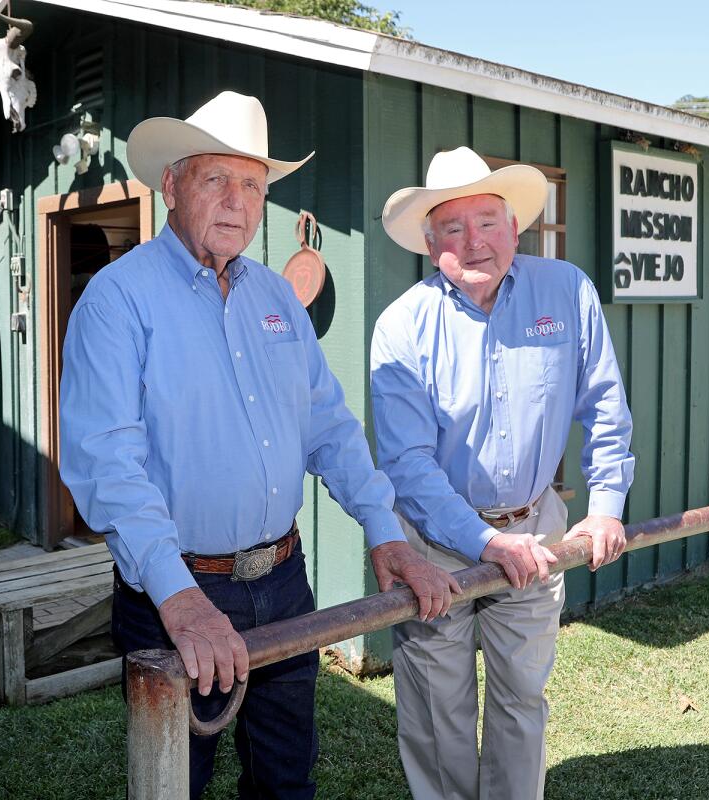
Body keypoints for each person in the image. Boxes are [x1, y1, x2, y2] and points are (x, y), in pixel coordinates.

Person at [58, 91, 460, 800]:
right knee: (175, 781)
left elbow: (329, 428)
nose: (236, 201)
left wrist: (384, 531)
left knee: (286, 779)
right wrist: (180, 601)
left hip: (283, 581)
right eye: (216, 178)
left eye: (252, 184)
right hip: (175, 590)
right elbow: (106, 465)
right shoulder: (118, 301)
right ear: (173, 185)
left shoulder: (276, 297)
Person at [370, 146, 635, 800]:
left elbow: (604, 403)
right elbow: (407, 464)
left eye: (488, 222)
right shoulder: (401, 327)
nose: (475, 242)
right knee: (438, 714)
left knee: (523, 698)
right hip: (435, 549)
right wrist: (486, 543)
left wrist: (605, 504)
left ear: (516, 227)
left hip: (537, 532)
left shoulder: (567, 291)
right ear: (431, 245)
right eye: (453, 228)